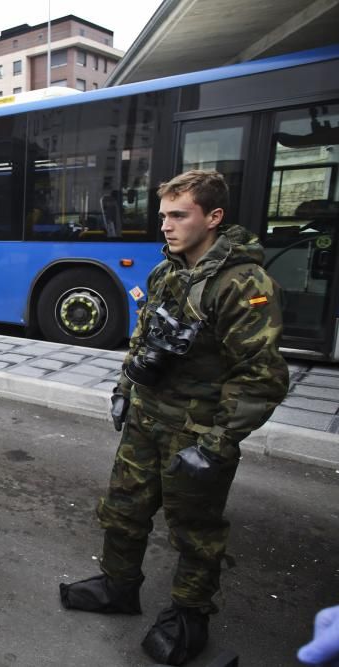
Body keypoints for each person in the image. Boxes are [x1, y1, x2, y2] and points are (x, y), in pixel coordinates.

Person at [59, 170, 289, 666]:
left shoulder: (244, 283)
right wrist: (124, 388)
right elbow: (143, 342)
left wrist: (216, 443)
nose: (166, 225)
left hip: (198, 432)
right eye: (163, 215)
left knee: (195, 532)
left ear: (213, 217)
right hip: (146, 419)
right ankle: (119, 587)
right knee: (123, 509)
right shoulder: (168, 272)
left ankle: (190, 616)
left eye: (179, 215)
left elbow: (262, 376)